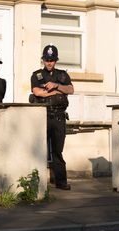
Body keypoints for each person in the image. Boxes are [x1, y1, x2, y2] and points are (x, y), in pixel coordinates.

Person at [30, 44, 74, 190]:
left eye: (52, 60)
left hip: (59, 117)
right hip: (43, 117)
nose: (49, 62)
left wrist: (56, 86)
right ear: (43, 60)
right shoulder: (37, 75)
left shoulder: (62, 75)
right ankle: (37, 183)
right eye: (47, 60)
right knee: (39, 151)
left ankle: (60, 181)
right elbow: (37, 92)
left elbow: (71, 90)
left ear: (56, 61)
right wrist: (55, 93)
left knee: (57, 151)